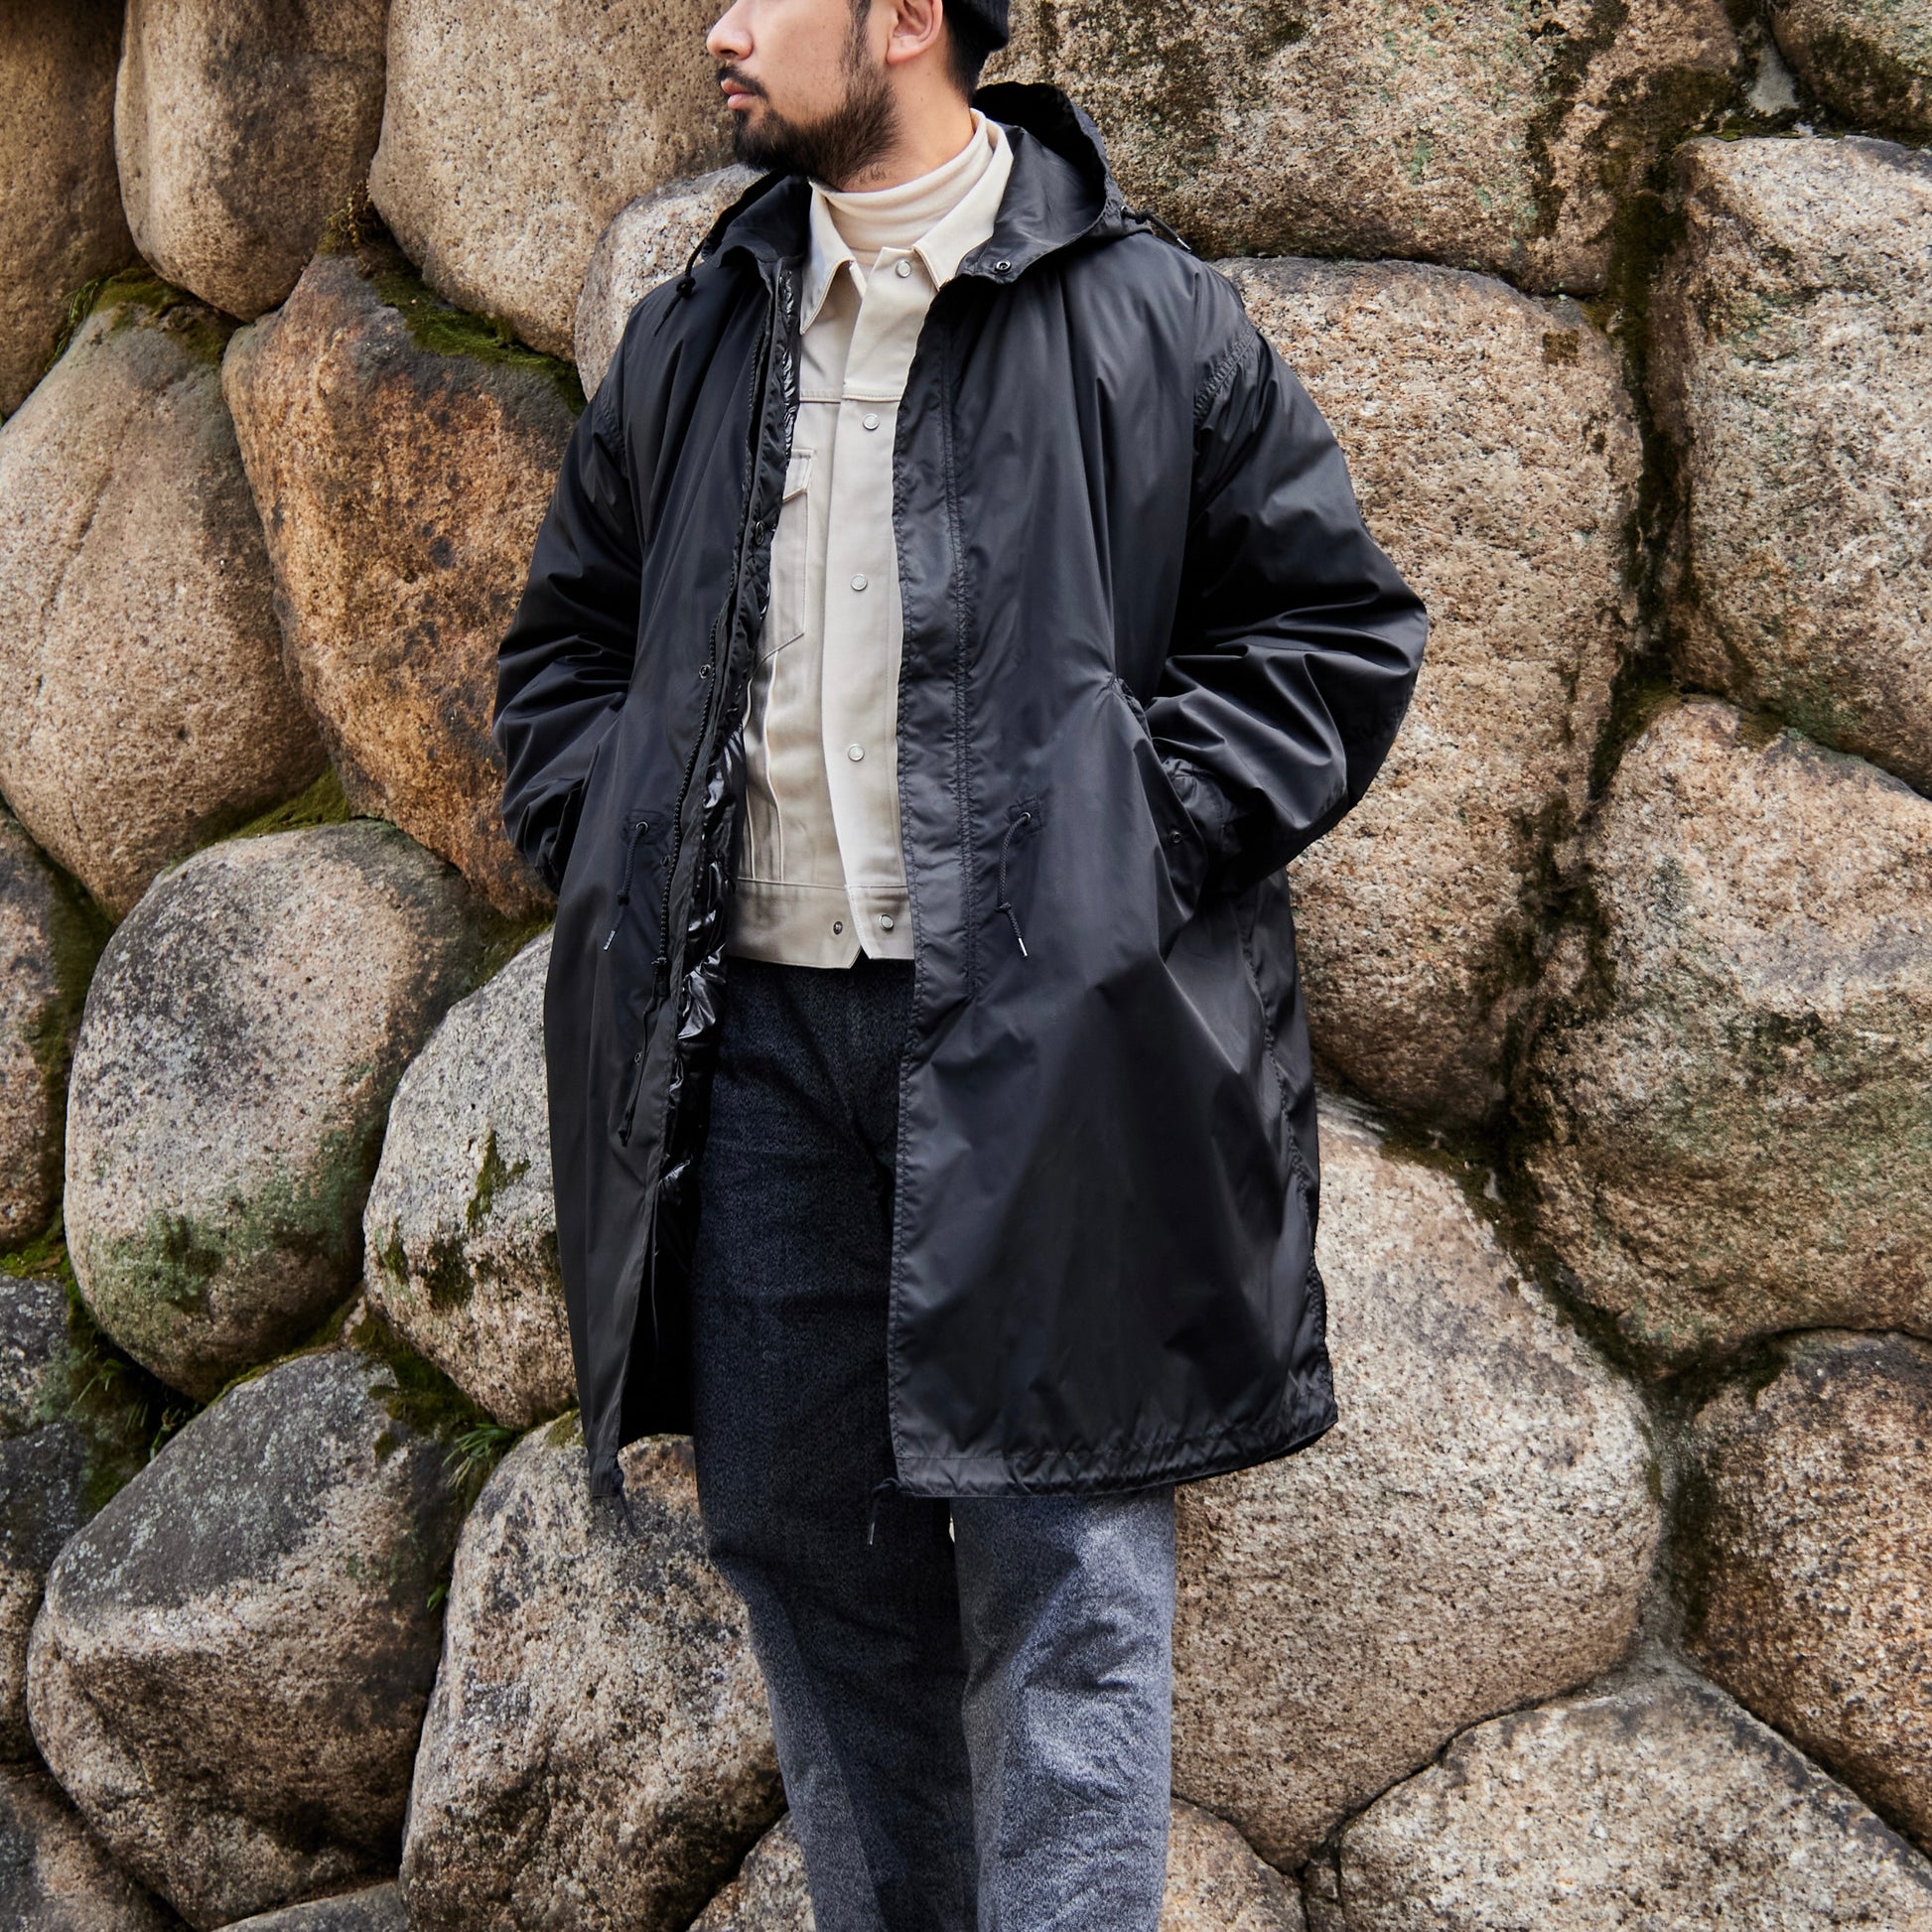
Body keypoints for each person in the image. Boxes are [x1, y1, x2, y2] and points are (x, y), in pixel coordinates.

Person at [491, 0, 1427, 1924]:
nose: (721, 31)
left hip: (1047, 1059)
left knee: (1064, 1591)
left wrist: (1125, 838)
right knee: (809, 1571)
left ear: (909, 20)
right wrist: (622, 846)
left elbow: (1332, 630)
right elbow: (564, 656)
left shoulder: (1145, 318)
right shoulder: (698, 334)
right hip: (755, 1062)